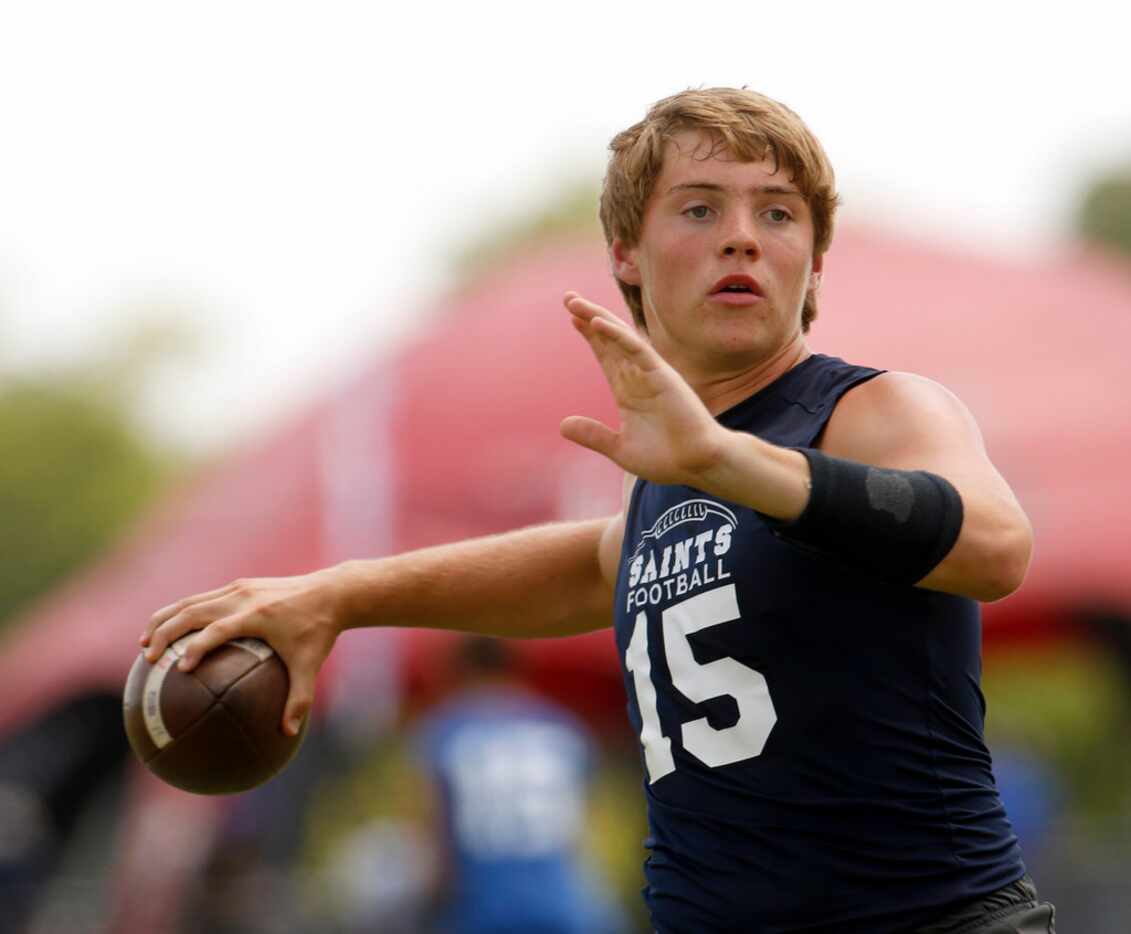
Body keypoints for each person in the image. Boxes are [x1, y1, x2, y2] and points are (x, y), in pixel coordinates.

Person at [142, 88, 1056, 932]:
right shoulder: (669, 472)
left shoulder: (871, 409)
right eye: (699, 208)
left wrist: (722, 459)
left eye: (775, 213)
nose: (741, 237)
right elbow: (590, 565)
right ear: (626, 251)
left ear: (811, 259)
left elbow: (994, 545)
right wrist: (337, 595)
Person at [412, 635, 627, 934]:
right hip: (571, 908)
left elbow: (440, 846)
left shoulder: (446, 731)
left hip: (485, 909)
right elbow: (583, 833)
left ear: (460, 669)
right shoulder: (565, 728)